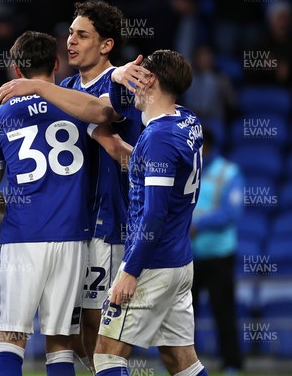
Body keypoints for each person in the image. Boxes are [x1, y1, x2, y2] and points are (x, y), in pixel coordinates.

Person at [0, 1, 142, 373]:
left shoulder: (118, 83)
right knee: (68, 335)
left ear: (106, 45)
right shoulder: (69, 88)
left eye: (81, 35)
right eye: (70, 34)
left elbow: (103, 115)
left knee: (97, 332)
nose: (70, 41)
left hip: (108, 226)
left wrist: (33, 86)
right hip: (72, 230)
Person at [0, 31, 92, 376]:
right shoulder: (78, 107)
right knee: (60, 342)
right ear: (57, 64)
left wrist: (15, 207)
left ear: (15, 69)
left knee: (11, 339)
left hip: (22, 236)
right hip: (73, 236)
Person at [95, 50, 207, 376]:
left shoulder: (159, 138)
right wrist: (117, 77)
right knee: (180, 360)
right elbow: (123, 108)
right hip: (179, 261)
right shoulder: (188, 120)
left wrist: (131, 271)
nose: (133, 85)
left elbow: (155, 213)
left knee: (107, 355)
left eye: (138, 77)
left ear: (151, 80)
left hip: (153, 264)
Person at [191, 128, 244, 374]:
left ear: (206, 146)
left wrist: (197, 225)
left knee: (223, 311)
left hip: (219, 255)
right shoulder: (188, 169)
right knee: (183, 314)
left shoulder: (229, 172)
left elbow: (231, 212)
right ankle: (180, 362)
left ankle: (232, 363)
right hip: (189, 254)